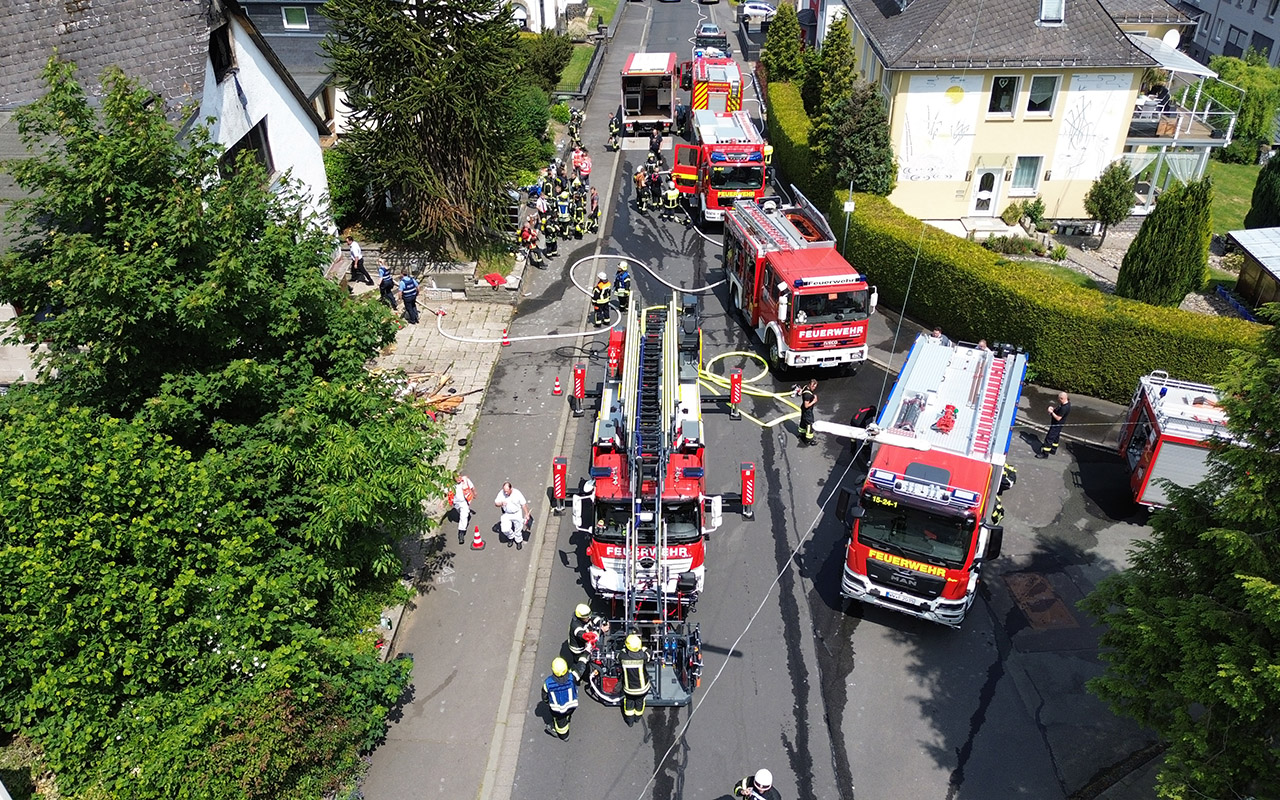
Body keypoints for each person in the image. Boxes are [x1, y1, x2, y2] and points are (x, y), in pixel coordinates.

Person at [542, 657, 579, 741]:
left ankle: (564, 735)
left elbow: (544, 697)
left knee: (561, 723)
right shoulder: (572, 677)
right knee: (567, 715)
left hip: (557, 710)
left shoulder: (548, 682)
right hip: (572, 706)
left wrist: (548, 702)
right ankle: (568, 718)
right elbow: (580, 670)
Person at [620, 633, 650, 724]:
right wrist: (644, 648)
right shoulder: (643, 657)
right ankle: (638, 718)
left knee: (629, 703)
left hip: (629, 689)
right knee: (640, 702)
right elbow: (649, 653)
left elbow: (620, 653)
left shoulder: (622, 657)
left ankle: (629, 721)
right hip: (642, 689)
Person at [494, 481, 531, 550]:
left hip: (517, 513)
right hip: (507, 513)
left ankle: (518, 541)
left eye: (507, 491)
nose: (505, 493)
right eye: (504, 491)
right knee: (505, 529)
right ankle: (511, 537)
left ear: (511, 489)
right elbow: (496, 503)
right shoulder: (501, 493)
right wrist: (501, 504)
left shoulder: (517, 493)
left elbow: (523, 504)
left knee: (518, 529)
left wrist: (526, 514)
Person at [1038, 392, 1071, 458]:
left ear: (1062, 398)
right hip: (1058, 426)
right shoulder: (1066, 404)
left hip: (1056, 425)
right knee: (1056, 437)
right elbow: (1059, 410)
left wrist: (1051, 412)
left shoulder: (1064, 408)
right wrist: (1054, 409)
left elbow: (1058, 418)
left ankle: (1045, 453)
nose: (1058, 400)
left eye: (1059, 399)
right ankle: (1053, 449)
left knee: (1049, 438)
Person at [448, 473, 477, 545]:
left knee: (464, 516)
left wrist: (474, 493)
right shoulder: (450, 484)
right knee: (460, 514)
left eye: (459, 476)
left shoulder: (465, 481)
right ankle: (461, 521)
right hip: (456, 504)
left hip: (464, 502)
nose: (459, 478)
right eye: (456, 477)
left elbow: (472, 487)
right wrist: (442, 502)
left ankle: (461, 533)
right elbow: (446, 493)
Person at [795, 379, 818, 446]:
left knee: (803, 422)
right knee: (809, 424)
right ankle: (808, 440)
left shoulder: (805, 387)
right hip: (808, 412)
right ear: (810, 385)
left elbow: (801, 392)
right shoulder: (807, 395)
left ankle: (801, 434)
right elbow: (806, 405)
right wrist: (814, 401)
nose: (814, 388)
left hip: (804, 411)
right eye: (813, 387)